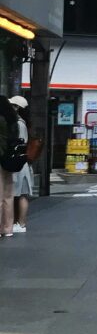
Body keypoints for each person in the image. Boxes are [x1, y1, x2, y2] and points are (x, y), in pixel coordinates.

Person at [9, 96, 32, 234]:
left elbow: (19, 142)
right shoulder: (23, 122)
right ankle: (19, 223)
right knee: (20, 194)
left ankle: (21, 224)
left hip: (19, 163)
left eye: (12, 105)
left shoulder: (19, 123)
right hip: (22, 162)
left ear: (17, 107)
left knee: (21, 194)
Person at [0, 95, 20, 239]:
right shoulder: (13, 120)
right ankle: (7, 228)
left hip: (0, 158)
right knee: (8, 195)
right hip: (10, 158)